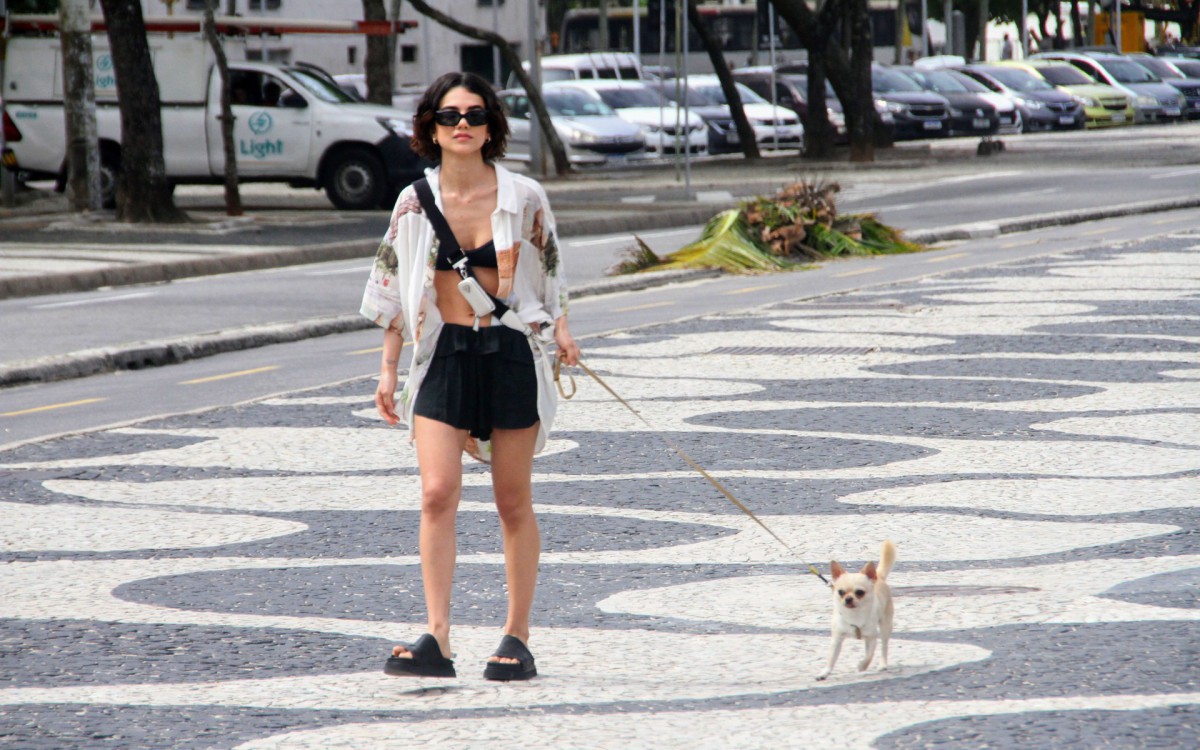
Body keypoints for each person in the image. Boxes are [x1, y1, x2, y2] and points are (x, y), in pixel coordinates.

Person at [360, 71, 580, 682]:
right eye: (451, 115)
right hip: (442, 357)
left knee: (513, 501)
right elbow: (391, 286)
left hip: (510, 351)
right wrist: (386, 368)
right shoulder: (412, 202)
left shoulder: (525, 196)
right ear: (430, 127)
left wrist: (561, 331)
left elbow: (552, 269)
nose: (464, 125)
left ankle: (516, 635)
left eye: (476, 115)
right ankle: (437, 636)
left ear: (492, 128)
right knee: (436, 493)